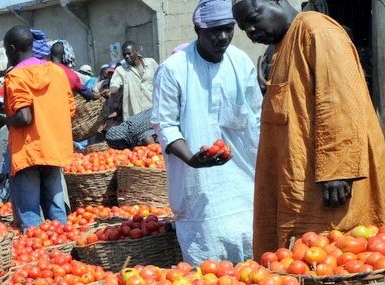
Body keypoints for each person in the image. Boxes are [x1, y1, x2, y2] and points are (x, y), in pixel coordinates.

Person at [232, 0, 385, 255]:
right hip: (299, 182)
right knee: (299, 261)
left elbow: (338, 98)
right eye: (244, 27)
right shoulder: (281, 45)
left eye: (254, 18)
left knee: (337, 256)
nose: (251, 31)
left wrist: (337, 171)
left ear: (276, 1)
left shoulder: (317, 31)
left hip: (330, 184)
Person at [151, 0, 262, 265]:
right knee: (208, 273)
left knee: (253, 268)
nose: (222, 37)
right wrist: (190, 158)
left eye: (227, 29)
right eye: (214, 31)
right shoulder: (174, 69)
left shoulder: (240, 62)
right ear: (197, 30)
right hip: (197, 189)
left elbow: (257, 117)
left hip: (243, 188)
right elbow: (164, 124)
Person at [0, 25, 75, 230]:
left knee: (30, 217)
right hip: (53, 148)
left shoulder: (15, 77)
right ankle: (63, 253)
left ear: (11, 48)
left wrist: (2, 120)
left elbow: (24, 117)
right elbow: (70, 109)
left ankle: (39, 257)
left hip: (28, 153)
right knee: (56, 212)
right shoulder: (57, 72)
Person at [109, 41, 159, 120]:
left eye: (129, 53)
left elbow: (161, 80)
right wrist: (110, 91)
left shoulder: (151, 63)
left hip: (153, 111)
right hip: (135, 115)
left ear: (136, 51)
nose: (127, 56)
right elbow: (114, 84)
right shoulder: (120, 70)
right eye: (124, 55)